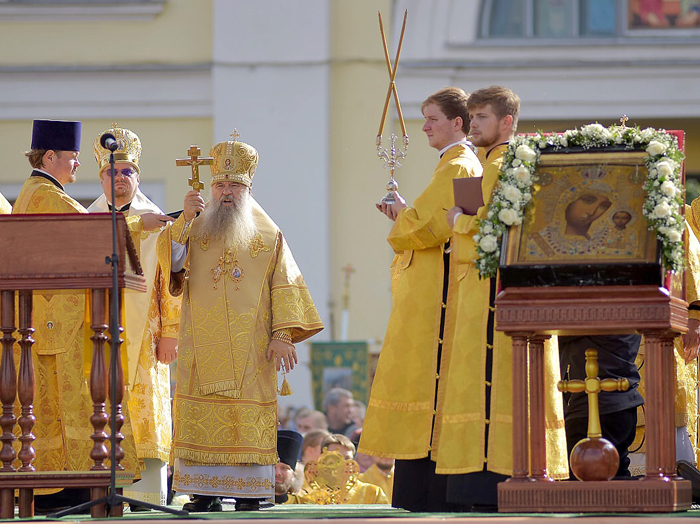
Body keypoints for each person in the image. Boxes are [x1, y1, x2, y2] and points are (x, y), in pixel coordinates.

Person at [13, 119, 170, 512]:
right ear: (50, 156)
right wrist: (138, 223)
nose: (77, 166)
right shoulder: (47, 195)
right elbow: (85, 234)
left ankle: (78, 488)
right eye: (73, 158)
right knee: (79, 404)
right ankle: (79, 489)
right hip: (57, 327)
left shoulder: (40, 191)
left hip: (55, 321)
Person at [161, 134, 324, 512]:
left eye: (235, 184)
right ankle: (204, 492)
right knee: (202, 417)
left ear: (248, 187)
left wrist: (283, 335)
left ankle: (251, 491)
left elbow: (286, 283)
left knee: (246, 417)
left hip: (252, 349)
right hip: (201, 346)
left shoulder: (268, 234)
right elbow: (169, 269)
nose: (226, 192)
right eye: (220, 184)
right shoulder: (192, 228)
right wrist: (183, 219)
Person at [442, 86, 567, 509]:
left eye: (481, 117)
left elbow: (495, 228)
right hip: (487, 286)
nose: (472, 124)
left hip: (497, 290)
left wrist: (456, 221)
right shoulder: (493, 162)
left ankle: (491, 476)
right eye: (471, 117)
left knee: (493, 379)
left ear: (507, 122)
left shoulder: (506, 162)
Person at [359, 87, 483, 512]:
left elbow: (432, 226)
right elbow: (441, 220)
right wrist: (409, 214)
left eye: (432, 119)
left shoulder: (460, 163)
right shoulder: (453, 164)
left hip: (439, 301)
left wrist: (402, 216)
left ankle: (424, 492)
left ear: (457, 123)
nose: (425, 126)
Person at [88, 123, 180, 509]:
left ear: (137, 176)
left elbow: (173, 280)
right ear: (102, 177)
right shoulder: (86, 218)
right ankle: (101, 495)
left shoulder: (156, 220)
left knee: (145, 411)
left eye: (127, 171)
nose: (120, 178)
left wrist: (172, 331)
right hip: (94, 334)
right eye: (113, 172)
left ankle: (146, 497)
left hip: (146, 336)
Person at [275, 430, 305, 504]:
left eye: (284, 468)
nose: (278, 473)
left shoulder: (303, 504)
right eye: (273, 467)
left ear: (294, 473)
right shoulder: (249, 505)